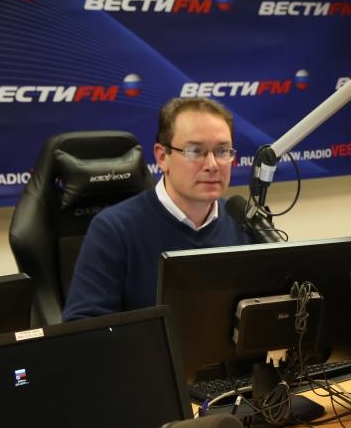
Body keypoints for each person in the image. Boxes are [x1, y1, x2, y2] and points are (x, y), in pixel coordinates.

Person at [63, 97, 251, 320]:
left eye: (222, 151)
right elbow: (83, 323)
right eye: (195, 151)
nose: (212, 165)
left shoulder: (244, 222)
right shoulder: (114, 229)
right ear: (162, 157)